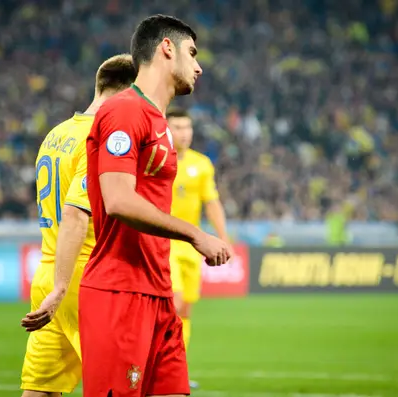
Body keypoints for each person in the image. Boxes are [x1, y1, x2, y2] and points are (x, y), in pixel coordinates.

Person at [80, 14, 232, 397]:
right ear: (167, 48)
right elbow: (117, 200)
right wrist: (195, 234)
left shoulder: (158, 122)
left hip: (158, 290)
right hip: (120, 291)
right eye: (192, 53)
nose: (199, 66)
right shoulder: (125, 111)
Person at [18, 54, 137, 397]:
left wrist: (55, 286)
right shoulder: (100, 138)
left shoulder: (57, 133)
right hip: (83, 279)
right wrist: (63, 286)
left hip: (49, 272)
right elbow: (75, 214)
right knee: (121, 386)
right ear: (128, 92)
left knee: (41, 389)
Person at [166, 107, 231, 390]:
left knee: (186, 311)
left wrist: (223, 237)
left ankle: (177, 368)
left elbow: (212, 203)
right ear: (166, 130)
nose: (184, 133)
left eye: (187, 127)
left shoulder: (202, 164)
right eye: (177, 127)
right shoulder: (157, 160)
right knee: (174, 304)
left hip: (191, 247)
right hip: (163, 243)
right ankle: (162, 366)